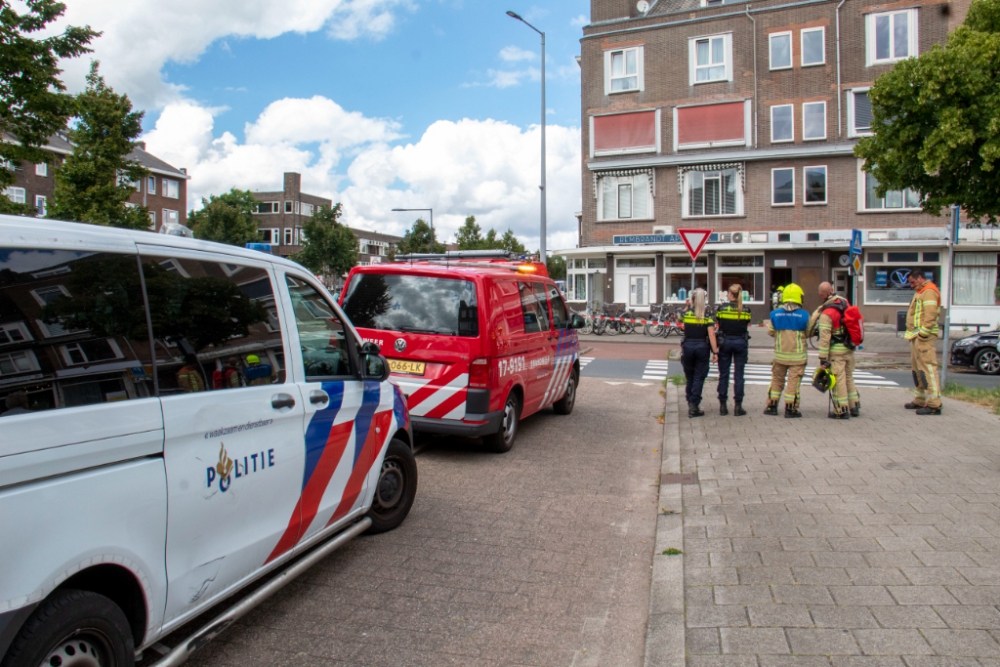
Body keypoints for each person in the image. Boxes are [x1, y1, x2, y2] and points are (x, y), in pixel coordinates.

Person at [814, 282, 859, 419]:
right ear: (832, 290)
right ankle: (854, 405)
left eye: (820, 294)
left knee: (839, 379)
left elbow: (825, 338)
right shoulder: (845, 302)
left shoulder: (826, 312)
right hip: (849, 348)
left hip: (836, 351)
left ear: (823, 295)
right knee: (849, 377)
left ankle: (841, 409)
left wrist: (822, 358)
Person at [766, 283, 810, 418]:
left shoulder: (775, 314)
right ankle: (790, 409)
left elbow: (770, 332)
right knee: (793, 382)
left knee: (777, 380)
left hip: (779, 356)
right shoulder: (804, 315)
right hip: (797, 357)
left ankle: (771, 406)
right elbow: (808, 333)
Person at [905, 272, 942, 415]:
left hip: (924, 337)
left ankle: (934, 404)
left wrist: (923, 333)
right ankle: (920, 399)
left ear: (920, 278)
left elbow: (930, 314)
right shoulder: (920, 292)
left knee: (927, 369)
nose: (911, 285)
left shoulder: (929, 291)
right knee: (917, 370)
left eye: (913, 282)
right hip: (917, 336)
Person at [714, 283, 752, 416]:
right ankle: (738, 406)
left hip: (725, 342)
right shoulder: (746, 310)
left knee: (724, 374)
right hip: (740, 342)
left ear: (730, 294)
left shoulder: (722, 308)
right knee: (739, 375)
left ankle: (723, 406)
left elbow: (718, 321)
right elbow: (746, 323)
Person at [680, 288, 718, 418]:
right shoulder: (707, 316)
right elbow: (712, 335)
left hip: (688, 346)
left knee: (690, 376)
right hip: (702, 347)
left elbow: (680, 319)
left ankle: (690, 401)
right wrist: (715, 352)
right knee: (699, 377)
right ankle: (694, 405)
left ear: (692, 300)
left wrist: (687, 306)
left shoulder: (686, 314)